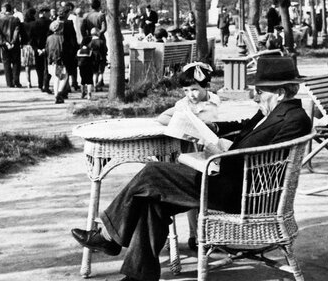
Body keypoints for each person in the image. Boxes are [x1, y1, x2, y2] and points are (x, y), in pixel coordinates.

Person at [71, 57, 312, 281]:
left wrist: (219, 153)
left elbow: (262, 163)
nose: (254, 97)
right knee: (151, 200)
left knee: (153, 173)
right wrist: (211, 128)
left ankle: (108, 237)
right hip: (232, 182)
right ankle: (138, 276)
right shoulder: (273, 112)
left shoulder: (294, 120)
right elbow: (244, 128)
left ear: (280, 92)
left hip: (245, 194)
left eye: (259, 91)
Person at [156, 61, 220, 251]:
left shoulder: (213, 101)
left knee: (210, 195)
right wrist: (182, 124)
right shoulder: (183, 104)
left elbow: (215, 123)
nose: (190, 94)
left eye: (194, 89)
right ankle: (195, 235)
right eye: (186, 90)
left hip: (210, 152)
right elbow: (162, 118)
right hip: (189, 153)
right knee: (193, 195)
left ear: (206, 86)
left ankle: (212, 234)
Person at [0, 3, 22, 88]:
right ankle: (16, 81)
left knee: (6, 63)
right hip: (15, 45)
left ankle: (9, 82)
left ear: (4, 9)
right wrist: (13, 42)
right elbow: (16, 31)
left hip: (4, 46)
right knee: (16, 63)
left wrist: (5, 42)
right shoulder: (16, 19)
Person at [31, 8, 52, 93]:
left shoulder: (34, 23)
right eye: (48, 13)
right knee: (47, 67)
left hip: (38, 49)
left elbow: (32, 39)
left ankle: (40, 84)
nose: (49, 14)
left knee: (39, 68)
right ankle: (46, 84)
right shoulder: (50, 23)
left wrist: (37, 49)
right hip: (47, 48)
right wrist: (45, 48)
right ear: (44, 13)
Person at [46, 19, 68, 103]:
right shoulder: (62, 38)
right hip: (61, 59)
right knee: (64, 76)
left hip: (52, 59)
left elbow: (47, 49)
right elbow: (64, 49)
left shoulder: (49, 38)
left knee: (55, 78)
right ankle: (59, 93)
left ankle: (56, 95)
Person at [20, 8, 37, 89]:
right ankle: (40, 81)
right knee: (37, 65)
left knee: (27, 66)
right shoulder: (35, 24)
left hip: (25, 45)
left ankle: (28, 81)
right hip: (34, 45)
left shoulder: (22, 25)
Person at [89, 27, 108, 91]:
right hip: (101, 58)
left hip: (93, 59)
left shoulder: (90, 43)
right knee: (101, 72)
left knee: (95, 73)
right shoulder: (101, 42)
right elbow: (106, 49)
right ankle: (99, 83)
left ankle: (94, 85)